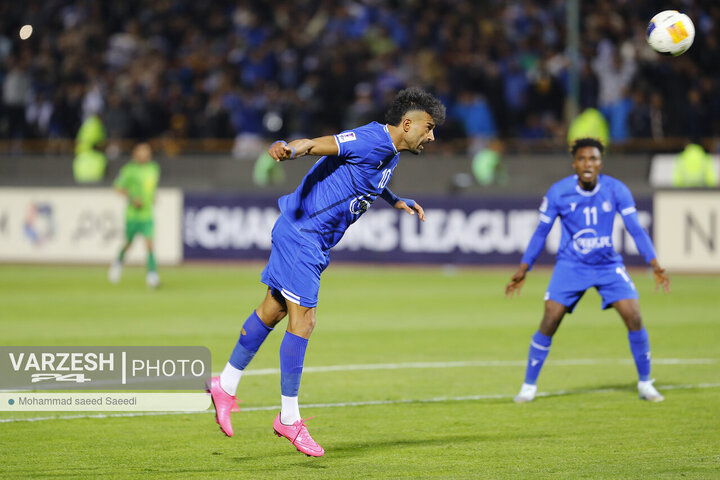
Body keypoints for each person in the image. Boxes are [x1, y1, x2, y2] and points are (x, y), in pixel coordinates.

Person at [206, 88, 446, 457]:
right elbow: (318, 145)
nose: (431, 136)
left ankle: (226, 382)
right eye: (428, 128)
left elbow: (368, 177)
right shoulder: (371, 138)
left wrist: (395, 199)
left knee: (273, 309)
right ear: (407, 123)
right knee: (304, 322)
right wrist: (289, 148)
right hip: (305, 235)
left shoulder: (391, 151)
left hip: (306, 236)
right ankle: (288, 417)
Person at [505, 137, 671, 404]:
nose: (587, 164)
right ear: (574, 163)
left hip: (608, 266)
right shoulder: (559, 192)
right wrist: (524, 268)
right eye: (582, 159)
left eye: (593, 158)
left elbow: (636, 229)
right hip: (571, 266)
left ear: (600, 162)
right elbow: (540, 233)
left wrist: (654, 264)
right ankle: (528, 386)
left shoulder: (616, 189)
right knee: (549, 320)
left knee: (635, 317)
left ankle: (645, 383)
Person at [108, 143, 161, 288]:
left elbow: (150, 189)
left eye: (147, 152)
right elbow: (118, 187)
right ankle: (118, 262)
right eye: (142, 152)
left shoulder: (154, 169)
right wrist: (132, 199)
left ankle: (152, 275)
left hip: (147, 214)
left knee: (150, 244)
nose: (145, 155)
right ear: (136, 154)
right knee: (128, 243)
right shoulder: (128, 170)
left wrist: (153, 198)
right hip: (132, 215)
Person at [73, 113, 107, 183]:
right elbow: (98, 140)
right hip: (96, 186)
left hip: (80, 187)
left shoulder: (78, 160)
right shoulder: (100, 159)